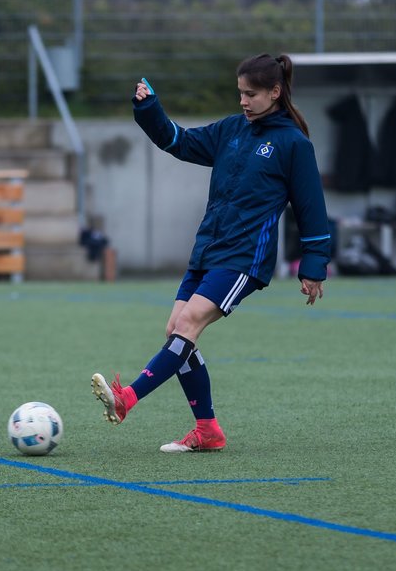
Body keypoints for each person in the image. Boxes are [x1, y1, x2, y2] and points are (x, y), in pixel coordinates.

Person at [91, 54, 332, 453]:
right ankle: (207, 431)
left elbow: (312, 208)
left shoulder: (294, 144)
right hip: (208, 250)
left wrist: (314, 265)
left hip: (244, 259)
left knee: (186, 326)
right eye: (239, 93)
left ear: (275, 92)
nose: (243, 101)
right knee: (175, 333)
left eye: (251, 94)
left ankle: (127, 399)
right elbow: (179, 142)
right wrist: (149, 108)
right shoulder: (231, 131)